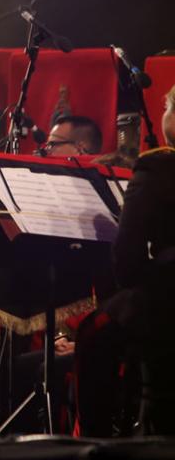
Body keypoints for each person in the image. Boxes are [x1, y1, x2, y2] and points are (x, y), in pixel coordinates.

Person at [76, 87, 175, 435]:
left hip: (166, 302)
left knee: (92, 334)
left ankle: (96, 445)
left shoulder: (158, 167)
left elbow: (127, 257)